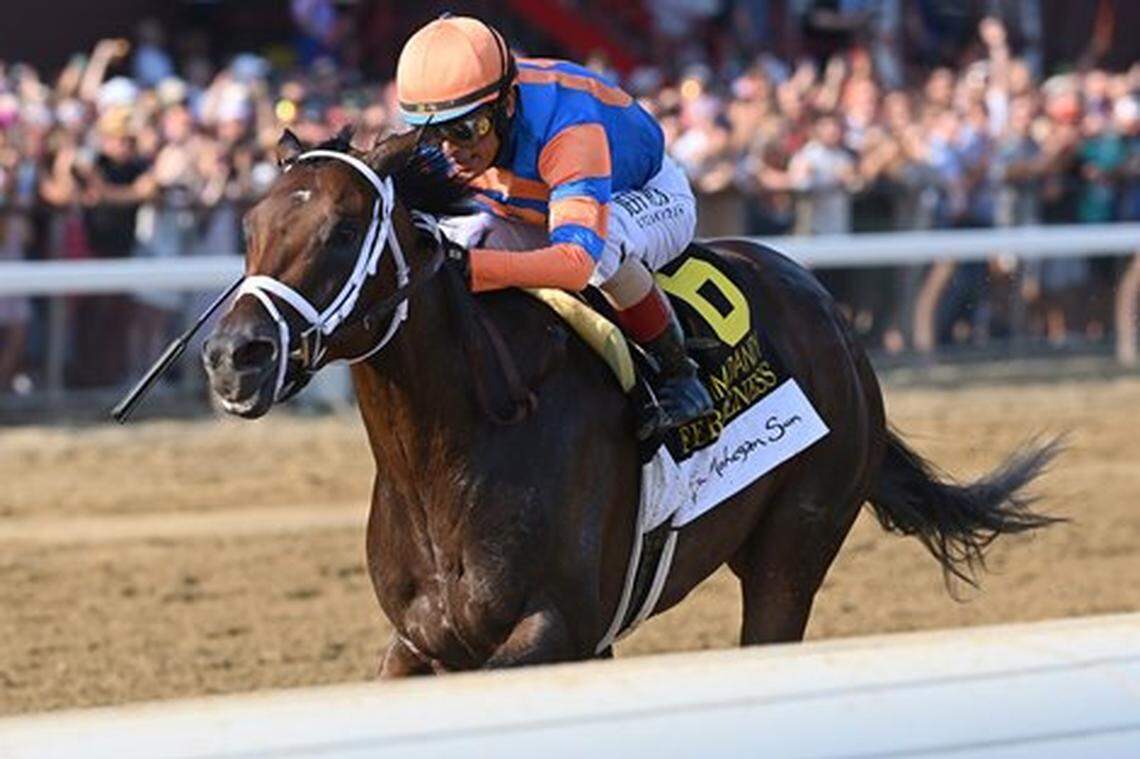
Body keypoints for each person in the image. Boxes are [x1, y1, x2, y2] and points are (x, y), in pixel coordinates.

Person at [394, 15, 713, 436]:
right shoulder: (455, 136)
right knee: (457, 237)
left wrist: (472, 267)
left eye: (465, 130)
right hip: (537, 209)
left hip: (641, 194)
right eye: (430, 136)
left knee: (604, 246)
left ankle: (679, 376)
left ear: (506, 105)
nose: (450, 152)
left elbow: (576, 261)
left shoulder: (568, 127)